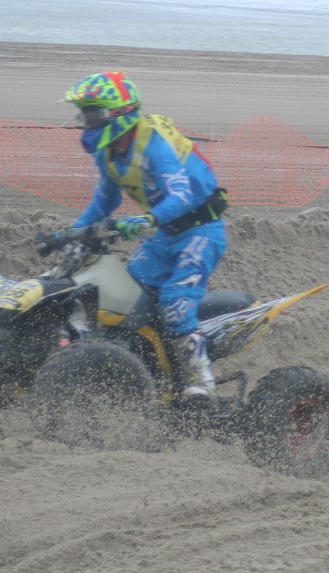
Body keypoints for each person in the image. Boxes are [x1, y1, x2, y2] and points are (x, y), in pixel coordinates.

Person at [60, 71, 228, 402]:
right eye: (86, 114)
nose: (88, 122)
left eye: (95, 114)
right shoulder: (107, 151)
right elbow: (105, 201)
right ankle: (147, 369)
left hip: (202, 232)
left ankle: (202, 380)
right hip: (166, 235)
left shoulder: (153, 145)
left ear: (120, 113)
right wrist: (68, 233)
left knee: (175, 302)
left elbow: (180, 194)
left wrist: (145, 219)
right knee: (127, 296)